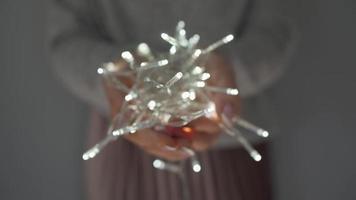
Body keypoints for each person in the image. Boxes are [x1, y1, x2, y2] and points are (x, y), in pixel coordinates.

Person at [47, 0, 296, 199]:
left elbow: (275, 31)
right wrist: (117, 72)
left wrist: (231, 70)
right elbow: (66, 37)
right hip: (125, 140)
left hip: (229, 144)